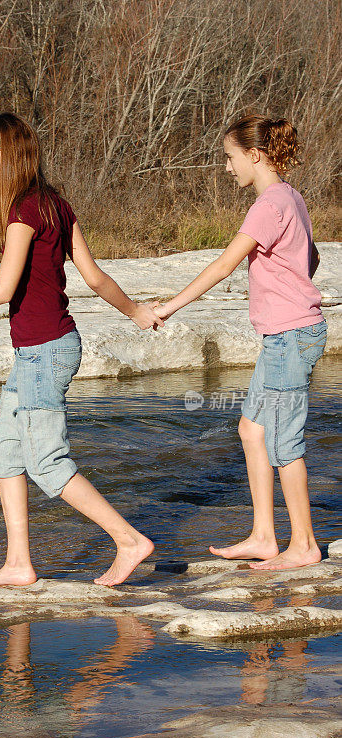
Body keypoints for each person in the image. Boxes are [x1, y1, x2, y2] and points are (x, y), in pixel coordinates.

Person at [0, 112, 162, 587]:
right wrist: (135, 311)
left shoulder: (24, 211)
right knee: (4, 453)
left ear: (12, 156)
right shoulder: (56, 206)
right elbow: (96, 277)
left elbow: (4, 289)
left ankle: (129, 540)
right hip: (42, 350)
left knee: (46, 461)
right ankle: (19, 563)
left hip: (46, 351)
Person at [155, 114, 327, 571]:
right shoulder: (291, 197)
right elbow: (310, 256)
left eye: (230, 157)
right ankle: (265, 536)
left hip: (291, 338)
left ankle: (304, 545)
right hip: (284, 337)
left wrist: (170, 306)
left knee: (284, 445)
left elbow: (223, 265)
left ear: (254, 154)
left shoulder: (268, 205)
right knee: (252, 431)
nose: (227, 167)